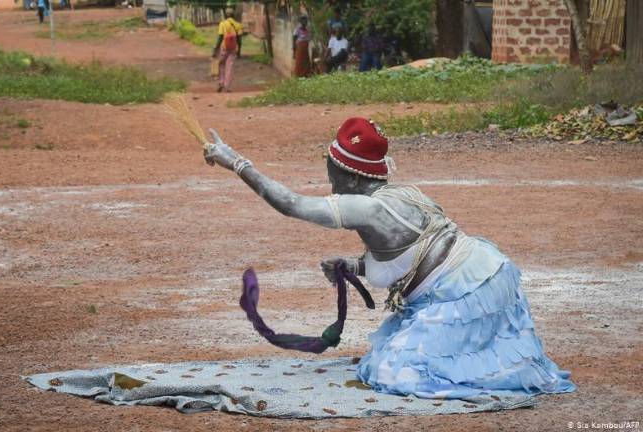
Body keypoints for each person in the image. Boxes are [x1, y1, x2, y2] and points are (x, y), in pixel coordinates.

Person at [202, 117, 576, 399]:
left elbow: (291, 204)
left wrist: (235, 162)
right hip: (485, 277)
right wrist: (354, 266)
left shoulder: (366, 208)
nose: (329, 178)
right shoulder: (401, 194)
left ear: (348, 175)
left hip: (467, 295)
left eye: (331, 169)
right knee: (389, 357)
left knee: (394, 373)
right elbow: (413, 256)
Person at [212, 8, 243, 93]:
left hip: (224, 47)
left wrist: (216, 48)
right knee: (230, 67)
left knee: (221, 64)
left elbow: (220, 37)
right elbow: (239, 40)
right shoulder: (238, 25)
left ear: (226, 15)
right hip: (233, 48)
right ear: (233, 15)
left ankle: (221, 83)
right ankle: (227, 86)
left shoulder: (223, 24)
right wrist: (239, 51)